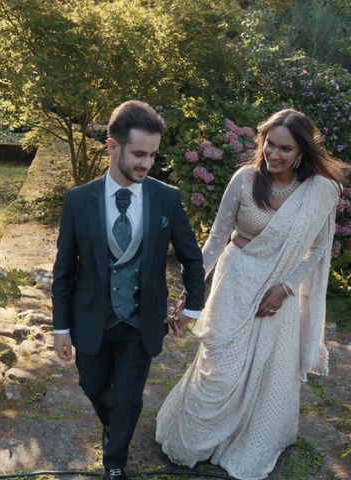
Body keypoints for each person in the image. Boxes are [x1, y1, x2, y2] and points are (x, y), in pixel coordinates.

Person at [156, 108, 351, 480]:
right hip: (236, 282)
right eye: (269, 145)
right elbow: (215, 240)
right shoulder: (245, 180)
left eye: (285, 149)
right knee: (220, 371)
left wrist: (286, 287)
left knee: (267, 373)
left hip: (279, 293)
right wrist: (192, 293)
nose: (274, 155)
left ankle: (248, 439)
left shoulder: (321, 191)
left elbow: (318, 251)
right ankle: (198, 440)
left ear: (301, 153)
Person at [51, 100, 206, 480]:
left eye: (152, 155)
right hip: (92, 318)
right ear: (112, 147)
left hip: (141, 320)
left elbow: (192, 257)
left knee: (129, 397)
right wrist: (60, 327)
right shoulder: (78, 200)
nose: (146, 164)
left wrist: (193, 307)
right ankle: (114, 424)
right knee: (93, 385)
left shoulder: (166, 198)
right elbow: (64, 269)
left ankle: (115, 462)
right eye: (139, 154)